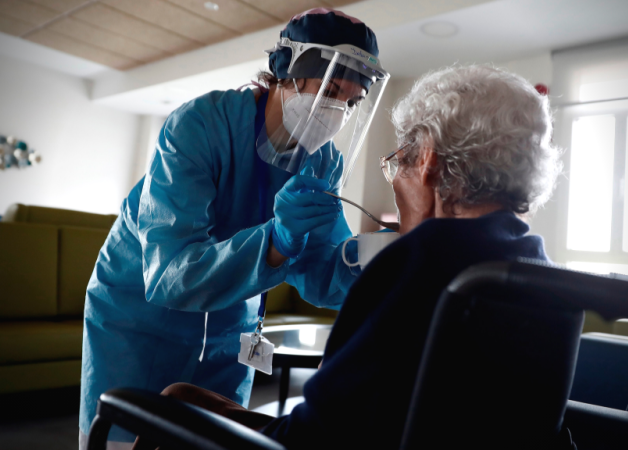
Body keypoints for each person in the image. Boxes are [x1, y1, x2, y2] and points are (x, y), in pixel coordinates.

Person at [141, 64, 563, 449]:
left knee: (174, 399)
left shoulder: (408, 266)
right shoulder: (544, 278)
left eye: (399, 161)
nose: (396, 180)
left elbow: (314, 436)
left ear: (429, 158)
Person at [78, 8, 391, 447]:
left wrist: (380, 260)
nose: (337, 111)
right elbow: (170, 275)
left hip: (234, 320)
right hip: (140, 318)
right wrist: (276, 242)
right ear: (286, 72)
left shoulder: (323, 161)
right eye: (329, 90)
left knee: (217, 439)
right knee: (126, 437)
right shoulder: (200, 126)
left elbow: (321, 273)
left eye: (351, 102)